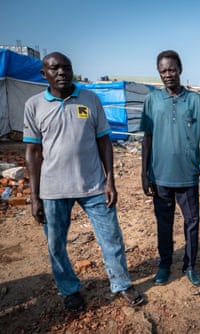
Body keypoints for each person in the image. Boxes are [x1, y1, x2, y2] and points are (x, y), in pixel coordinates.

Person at [23, 52, 143, 311]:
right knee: (56, 245)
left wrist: (110, 180)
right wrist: (34, 197)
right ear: (44, 74)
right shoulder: (34, 105)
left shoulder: (90, 99)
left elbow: (104, 140)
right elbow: (33, 152)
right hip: (53, 190)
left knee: (111, 237)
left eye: (67, 67)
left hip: (94, 186)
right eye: (55, 68)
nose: (62, 72)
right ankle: (69, 289)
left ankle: (122, 284)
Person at [140, 50, 200, 287]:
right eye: (163, 71)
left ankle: (190, 266)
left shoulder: (195, 100)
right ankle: (164, 265)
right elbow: (147, 138)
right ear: (159, 73)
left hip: (188, 176)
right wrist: (144, 172)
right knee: (164, 223)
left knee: (192, 222)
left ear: (180, 69)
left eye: (172, 69)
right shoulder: (152, 101)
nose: (168, 74)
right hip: (160, 176)